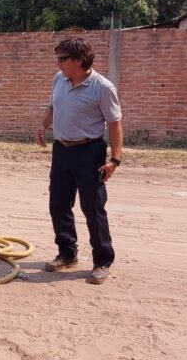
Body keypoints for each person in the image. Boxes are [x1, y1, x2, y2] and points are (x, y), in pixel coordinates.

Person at [35, 36, 123, 285]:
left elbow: (115, 124)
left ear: (79, 60)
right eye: (58, 58)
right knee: (59, 204)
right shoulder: (59, 79)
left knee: (92, 208)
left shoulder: (102, 88)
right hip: (61, 150)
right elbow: (53, 106)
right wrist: (43, 124)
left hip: (89, 152)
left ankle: (102, 260)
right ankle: (67, 253)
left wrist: (115, 160)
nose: (58, 63)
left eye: (63, 58)